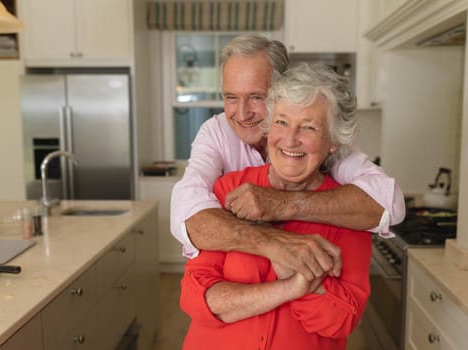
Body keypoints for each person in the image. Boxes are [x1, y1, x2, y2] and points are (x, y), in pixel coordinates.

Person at [171, 34, 405, 279]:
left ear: (281, 92)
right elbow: (186, 212)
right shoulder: (216, 133)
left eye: (256, 97)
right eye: (231, 97)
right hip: (241, 282)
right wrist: (274, 243)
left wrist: (282, 203)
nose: (242, 113)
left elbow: (390, 204)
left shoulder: (316, 138)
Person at [180, 63, 372, 349]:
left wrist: (291, 272)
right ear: (268, 127)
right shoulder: (227, 190)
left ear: (332, 141)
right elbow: (197, 299)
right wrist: (294, 284)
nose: (291, 139)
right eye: (281, 122)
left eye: (308, 127)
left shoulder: (348, 210)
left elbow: (341, 320)